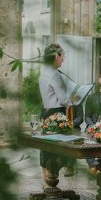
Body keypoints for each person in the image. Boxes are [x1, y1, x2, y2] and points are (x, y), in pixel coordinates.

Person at [38, 43, 71, 182]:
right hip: (57, 114)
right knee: (58, 149)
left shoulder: (44, 72)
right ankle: (52, 183)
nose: (64, 59)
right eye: (62, 56)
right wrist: (74, 98)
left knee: (46, 148)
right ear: (56, 56)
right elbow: (63, 99)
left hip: (46, 112)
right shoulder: (55, 75)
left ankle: (46, 183)